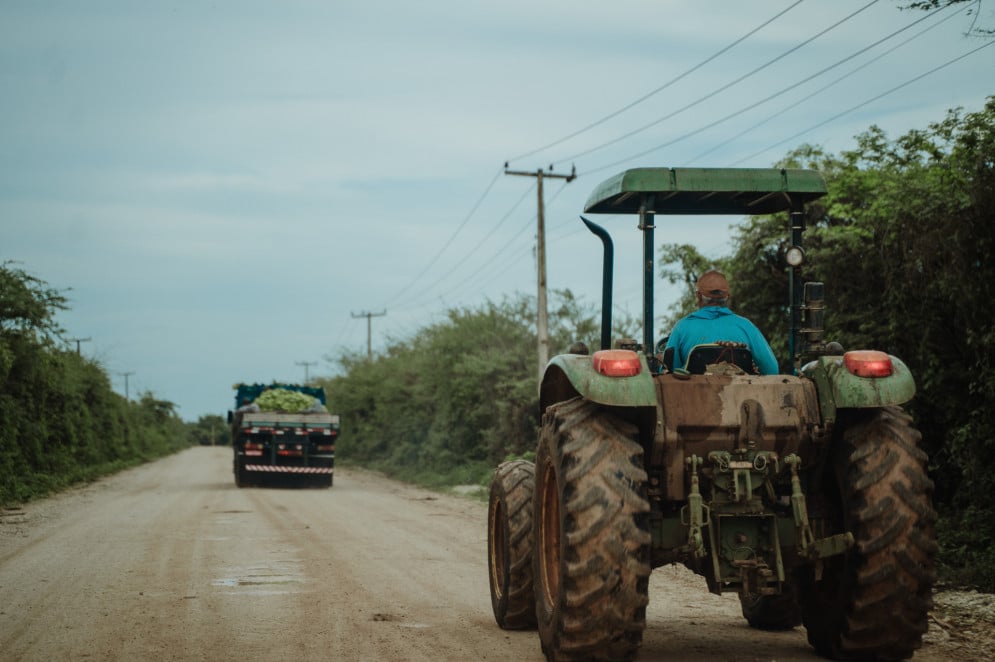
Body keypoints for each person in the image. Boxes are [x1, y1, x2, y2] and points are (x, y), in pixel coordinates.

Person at [665, 270, 779, 375]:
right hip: (739, 396)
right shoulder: (746, 326)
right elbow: (772, 370)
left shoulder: (682, 327)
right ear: (727, 297)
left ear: (699, 296)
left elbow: (669, 371)